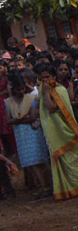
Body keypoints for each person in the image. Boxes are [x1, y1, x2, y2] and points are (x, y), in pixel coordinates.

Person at [35, 62, 78, 200]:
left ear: (54, 76)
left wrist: (47, 92)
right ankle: (66, 190)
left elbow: (52, 108)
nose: (44, 81)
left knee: (70, 160)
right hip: (54, 133)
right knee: (60, 160)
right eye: (41, 78)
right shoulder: (44, 89)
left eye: (47, 77)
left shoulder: (58, 90)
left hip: (64, 132)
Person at [5, 74, 51, 198]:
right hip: (21, 134)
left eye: (22, 88)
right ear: (13, 89)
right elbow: (8, 120)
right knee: (31, 163)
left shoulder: (31, 98)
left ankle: (47, 187)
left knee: (40, 160)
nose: (21, 91)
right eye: (18, 89)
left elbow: (32, 117)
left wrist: (17, 119)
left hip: (33, 133)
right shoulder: (9, 102)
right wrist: (22, 119)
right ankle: (43, 186)